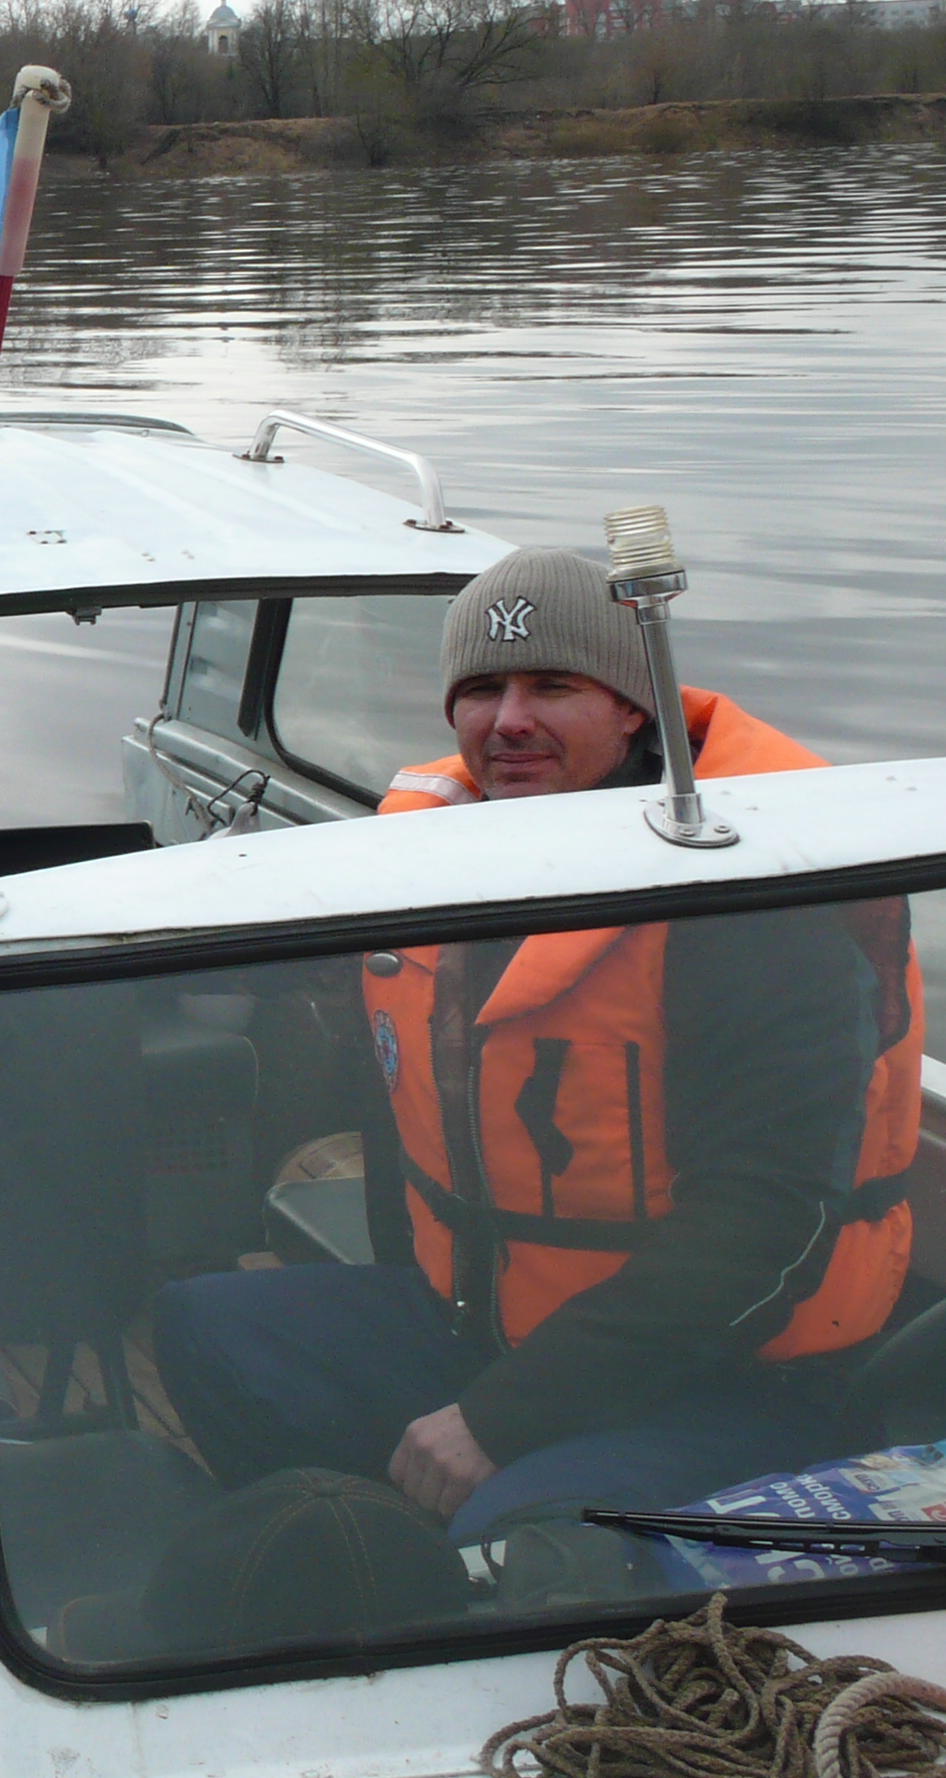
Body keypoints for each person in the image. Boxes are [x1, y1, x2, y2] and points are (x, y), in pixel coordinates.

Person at [154, 545, 925, 1539]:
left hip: (729, 1374)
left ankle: (460, 1573)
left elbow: (766, 1221)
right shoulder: (453, 853)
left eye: (553, 686)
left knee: (522, 1542)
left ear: (633, 707)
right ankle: (367, 1558)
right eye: (481, 690)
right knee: (209, 1327)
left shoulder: (754, 901)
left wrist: (497, 1422)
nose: (508, 720)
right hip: (493, 1324)